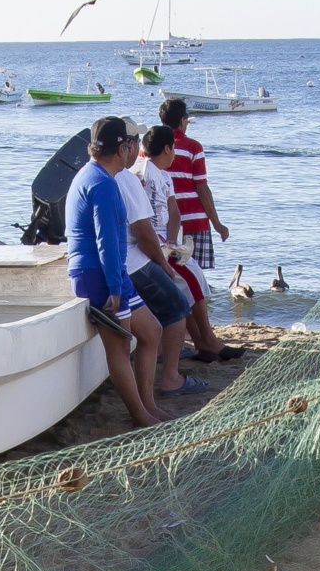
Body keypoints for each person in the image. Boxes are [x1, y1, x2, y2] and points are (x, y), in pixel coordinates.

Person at [66, 115, 166, 429]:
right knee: (119, 346)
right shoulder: (102, 184)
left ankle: (149, 407)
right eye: (131, 144)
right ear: (122, 148)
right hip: (99, 275)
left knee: (151, 332)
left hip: (109, 272)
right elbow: (106, 240)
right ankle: (140, 416)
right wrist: (114, 287)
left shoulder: (93, 174)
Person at [110, 126, 198, 399]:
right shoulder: (126, 179)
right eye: (132, 143)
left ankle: (156, 374)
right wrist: (163, 263)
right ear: (127, 146)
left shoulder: (100, 175)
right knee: (177, 307)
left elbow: (169, 216)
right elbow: (144, 233)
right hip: (132, 259)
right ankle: (171, 378)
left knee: (151, 325)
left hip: (117, 260)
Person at [139, 125, 232, 362]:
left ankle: (202, 338)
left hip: (166, 238)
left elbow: (174, 212)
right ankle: (205, 340)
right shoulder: (142, 173)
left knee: (194, 277)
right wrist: (164, 246)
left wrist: (172, 241)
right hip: (151, 240)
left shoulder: (164, 175)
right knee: (191, 279)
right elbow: (143, 218)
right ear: (168, 148)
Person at [160, 97, 229, 279]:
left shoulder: (149, 147)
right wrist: (217, 224)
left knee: (168, 276)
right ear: (183, 121)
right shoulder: (193, 147)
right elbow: (202, 189)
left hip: (163, 223)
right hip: (193, 221)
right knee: (194, 278)